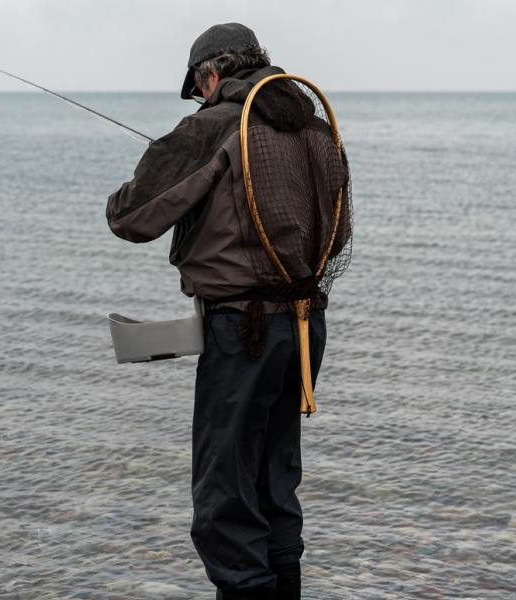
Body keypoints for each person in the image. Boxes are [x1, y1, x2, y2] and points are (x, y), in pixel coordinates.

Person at [105, 22, 350, 600]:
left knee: (225, 504)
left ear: (211, 74)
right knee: (274, 485)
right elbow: (335, 237)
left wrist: (147, 172)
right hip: (305, 325)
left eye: (198, 86)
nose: (200, 95)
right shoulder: (315, 129)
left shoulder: (215, 123)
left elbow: (130, 217)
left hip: (245, 333)